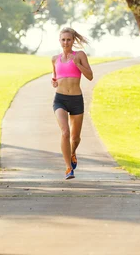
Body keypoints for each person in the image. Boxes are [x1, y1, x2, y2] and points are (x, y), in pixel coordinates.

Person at [51, 27, 94, 180]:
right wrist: (54, 81)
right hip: (60, 99)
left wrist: (78, 64)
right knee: (65, 132)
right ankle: (69, 167)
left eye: (69, 39)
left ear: (73, 40)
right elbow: (56, 76)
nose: (66, 42)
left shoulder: (80, 55)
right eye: (63, 39)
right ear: (59, 41)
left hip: (76, 100)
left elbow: (90, 76)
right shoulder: (54, 59)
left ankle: (73, 152)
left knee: (75, 138)